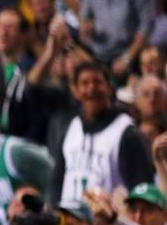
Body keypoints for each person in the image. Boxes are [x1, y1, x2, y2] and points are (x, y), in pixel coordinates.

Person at [53, 63, 153, 202]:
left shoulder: (126, 132)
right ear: (75, 91)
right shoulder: (70, 129)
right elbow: (58, 182)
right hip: (70, 219)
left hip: (109, 221)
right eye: (85, 83)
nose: (91, 88)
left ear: (109, 88)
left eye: (97, 82)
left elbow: (142, 188)